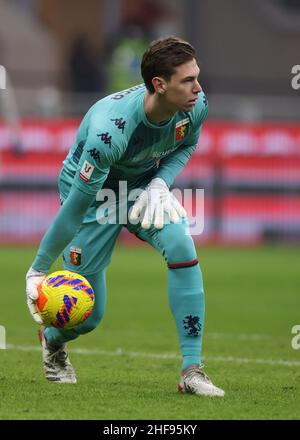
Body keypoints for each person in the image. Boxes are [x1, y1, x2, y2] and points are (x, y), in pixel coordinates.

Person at [26, 36, 225, 397]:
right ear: (159, 85)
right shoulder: (110, 130)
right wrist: (38, 269)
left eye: (197, 76)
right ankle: (53, 340)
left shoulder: (196, 105)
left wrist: (161, 184)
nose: (198, 87)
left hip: (142, 187)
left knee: (182, 242)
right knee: (88, 315)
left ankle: (192, 371)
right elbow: (74, 207)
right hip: (92, 196)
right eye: (188, 80)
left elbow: (188, 143)